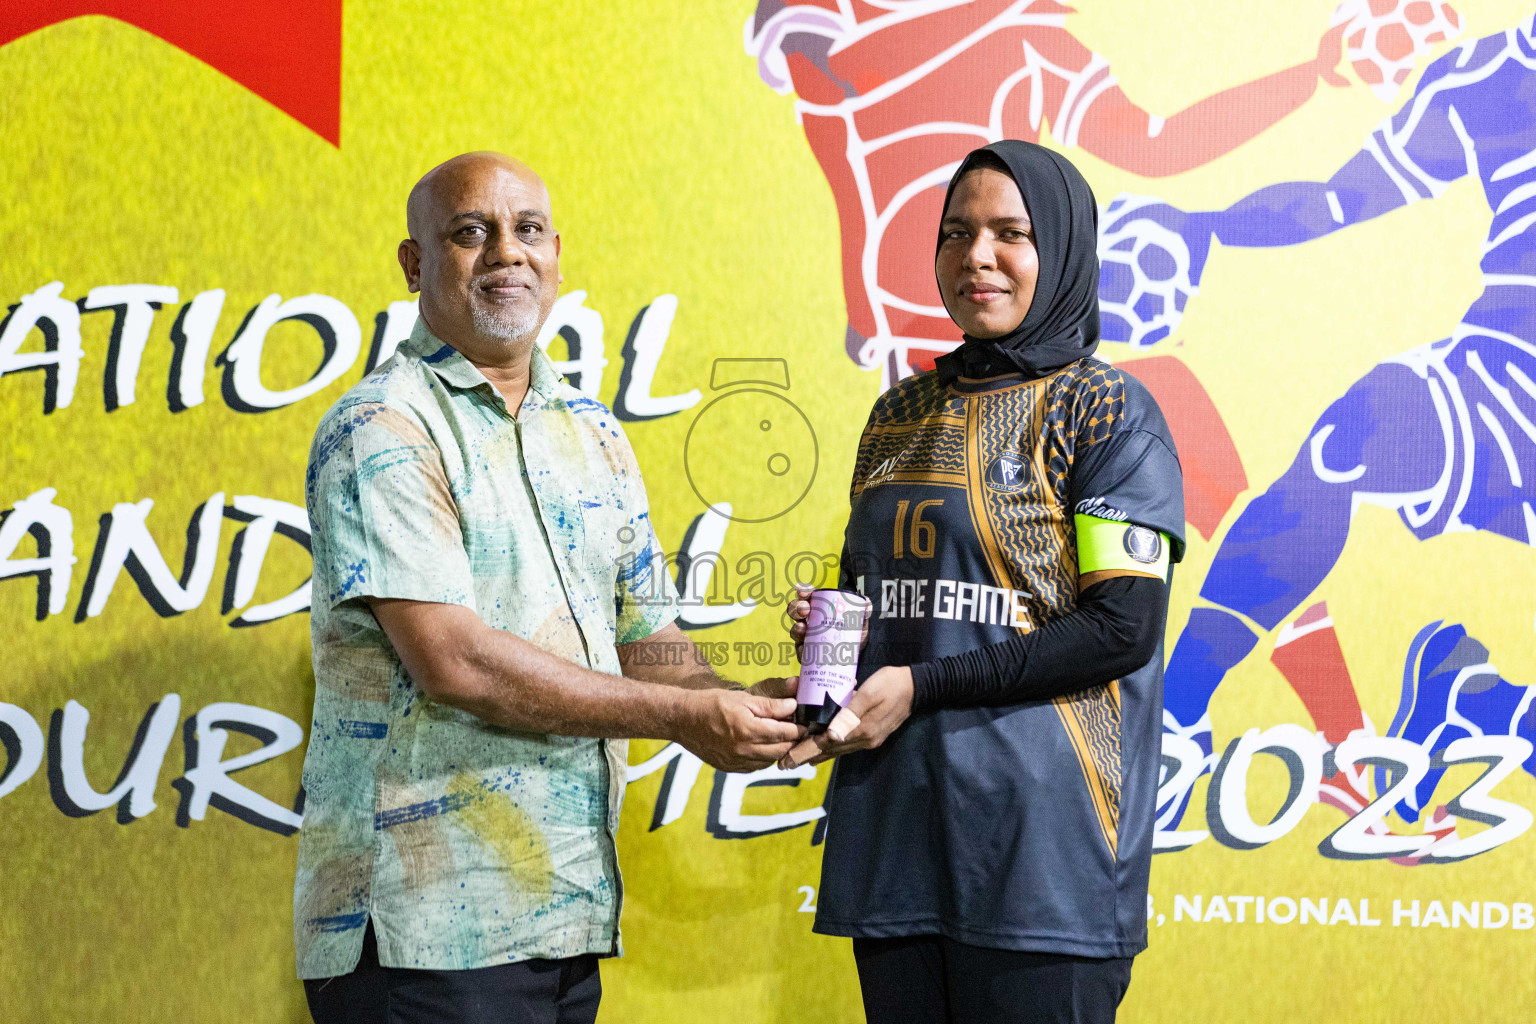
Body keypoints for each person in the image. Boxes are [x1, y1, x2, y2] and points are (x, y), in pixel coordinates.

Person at [294, 152, 802, 1024]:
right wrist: (682, 719)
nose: (506, 252)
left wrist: (739, 708)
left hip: (565, 912)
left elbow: (647, 639)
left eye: (527, 230)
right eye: (469, 232)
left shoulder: (594, 433)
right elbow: (457, 665)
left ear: (557, 254)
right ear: (415, 263)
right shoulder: (382, 426)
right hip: (425, 934)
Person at [1101, 14, 1536, 838]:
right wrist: (1210, 228)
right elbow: (1344, 197)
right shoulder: (1484, 80)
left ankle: (1484, 713)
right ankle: (1177, 717)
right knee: (1359, 433)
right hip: (1506, 377)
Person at [782, 140, 1184, 1023]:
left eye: (1011, 233)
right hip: (896, 839)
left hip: (1044, 861)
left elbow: (1121, 628)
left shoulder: (1108, 411)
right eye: (957, 233)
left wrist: (919, 683)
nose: (978, 257)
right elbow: (888, 605)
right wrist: (830, 647)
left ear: (1067, 249)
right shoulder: (898, 411)